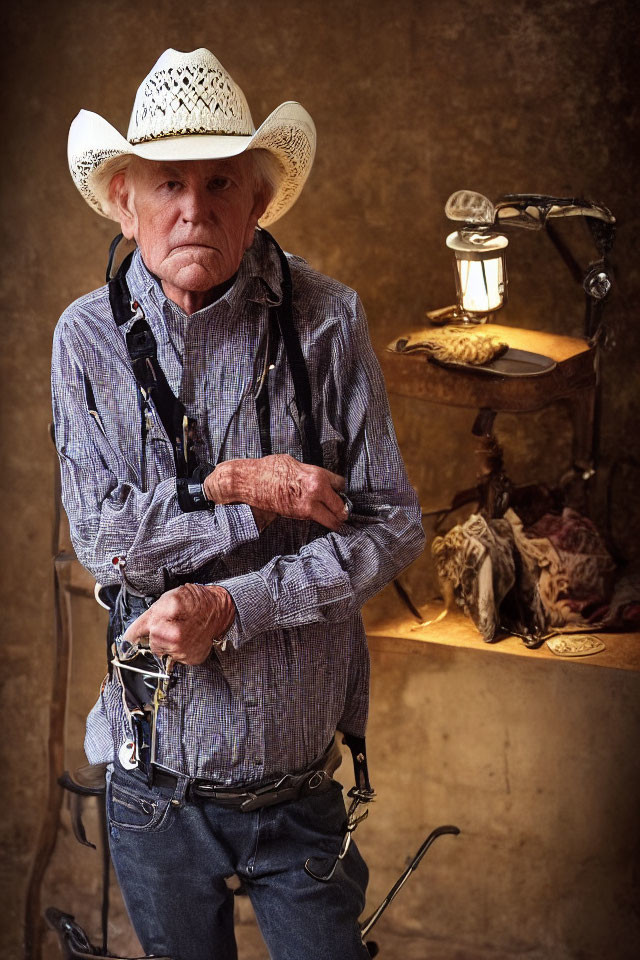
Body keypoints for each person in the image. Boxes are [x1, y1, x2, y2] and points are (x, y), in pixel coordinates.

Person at [52, 47, 425, 960]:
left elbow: (396, 523)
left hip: (299, 790)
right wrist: (238, 490)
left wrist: (233, 605)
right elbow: (102, 540)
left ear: (258, 199)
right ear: (122, 201)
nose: (194, 208)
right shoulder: (87, 339)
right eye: (167, 183)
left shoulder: (328, 320)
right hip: (154, 790)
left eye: (221, 182)